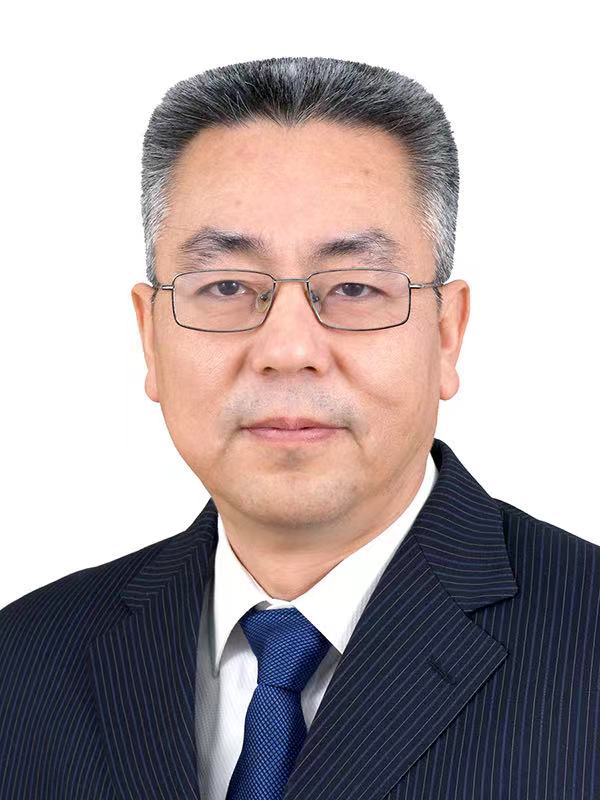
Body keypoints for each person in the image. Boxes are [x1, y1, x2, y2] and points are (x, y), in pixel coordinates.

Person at [1, 56, 598, 800]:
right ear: (150, 336)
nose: (287, 350)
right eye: (226, 286)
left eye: (354, 287)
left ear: (447, 333)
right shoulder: (23, 664)